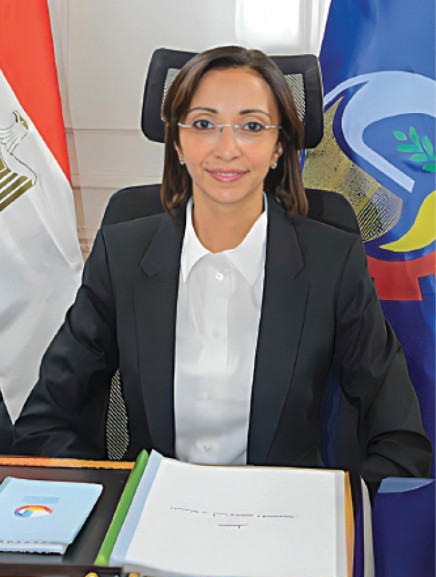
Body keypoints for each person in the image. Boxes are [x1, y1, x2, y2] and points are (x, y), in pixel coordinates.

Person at [13, 46, 431, 497]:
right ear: (177, 142)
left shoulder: (333, 263)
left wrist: (329, 514)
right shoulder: (122, 255)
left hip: (280, 522)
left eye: (252, 126)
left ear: (279, 147)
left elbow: (401, 441)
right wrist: (105, 506)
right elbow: (46, 421)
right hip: (148, 519)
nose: (227, 148)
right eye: (203, 124)